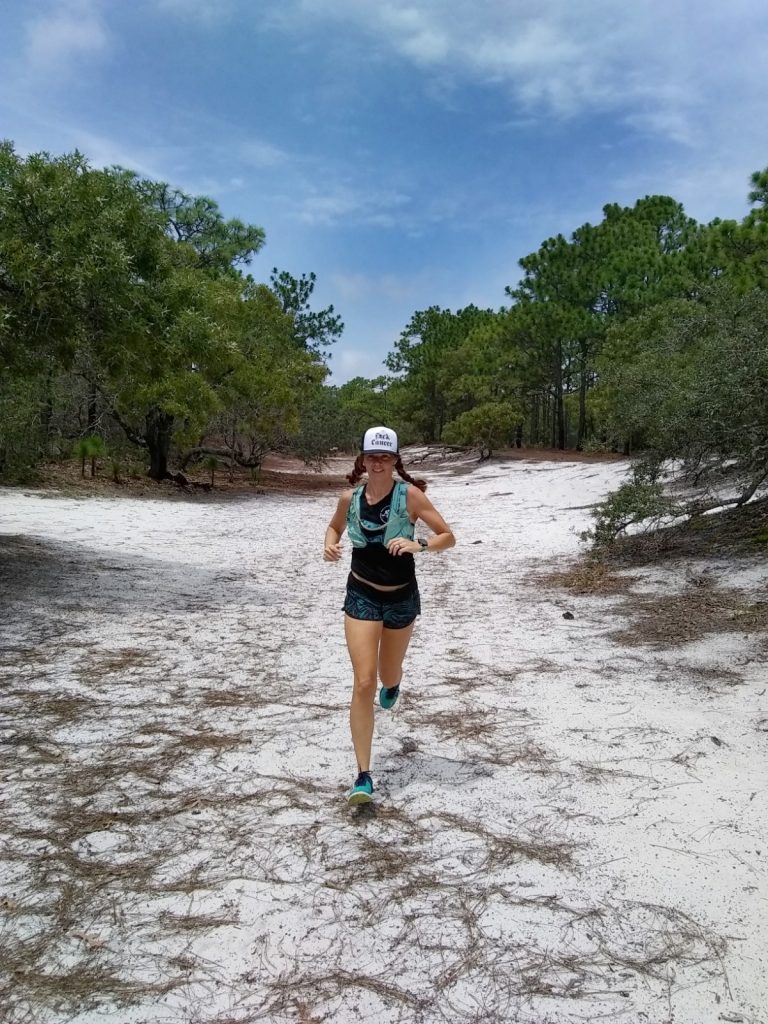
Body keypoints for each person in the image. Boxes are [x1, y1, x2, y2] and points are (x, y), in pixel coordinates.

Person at [323, 426, 456, 805]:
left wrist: (420, 544)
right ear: (362, 460)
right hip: (361, 594)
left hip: (401, 599)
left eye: (385, 456)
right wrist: (329, 544)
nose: (378, 463)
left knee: (387, 674)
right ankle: (363, 775)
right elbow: (334, 528)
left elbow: (448, 535)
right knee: (363, 682)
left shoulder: (411, 496)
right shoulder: (349, 498)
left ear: (396, 460)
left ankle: (393, 684)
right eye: (372, 456)